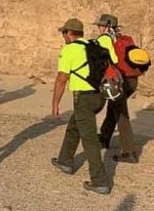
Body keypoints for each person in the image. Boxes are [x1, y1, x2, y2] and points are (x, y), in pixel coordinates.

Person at [50, 17, 118, 195]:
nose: (63, 36)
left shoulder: (69, 50)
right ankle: (65, 160)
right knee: (75, 126)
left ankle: (100, 181)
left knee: (89, 139)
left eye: (64, 32)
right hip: (99, 97)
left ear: (70, 33)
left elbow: (61, 79)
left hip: (84, 99)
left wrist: (55, 103)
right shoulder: (91, 45)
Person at [94, 14, 140, 163]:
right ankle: (104, 136)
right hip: (132, 80)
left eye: (100, 26)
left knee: (121, 113)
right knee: (114, 106)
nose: (99, 28)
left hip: (120, 82)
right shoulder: (125, 40)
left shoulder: (107, 40)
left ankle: (129, 151)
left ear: (106, 26)